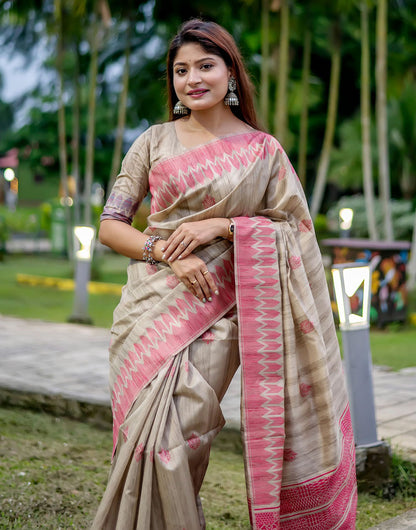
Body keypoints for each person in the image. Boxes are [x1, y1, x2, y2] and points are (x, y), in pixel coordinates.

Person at [92, 18, 357, 530]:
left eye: (205, 66)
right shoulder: (152, 142)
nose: (192, 78)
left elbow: (292, 229)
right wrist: (167, 251)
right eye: (181, 69)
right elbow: (111, 225)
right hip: (147, 311)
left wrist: (223, 224)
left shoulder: (263, 151)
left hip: (218, 312)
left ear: (230, 72)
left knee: (179, 438)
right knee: (140, 438)